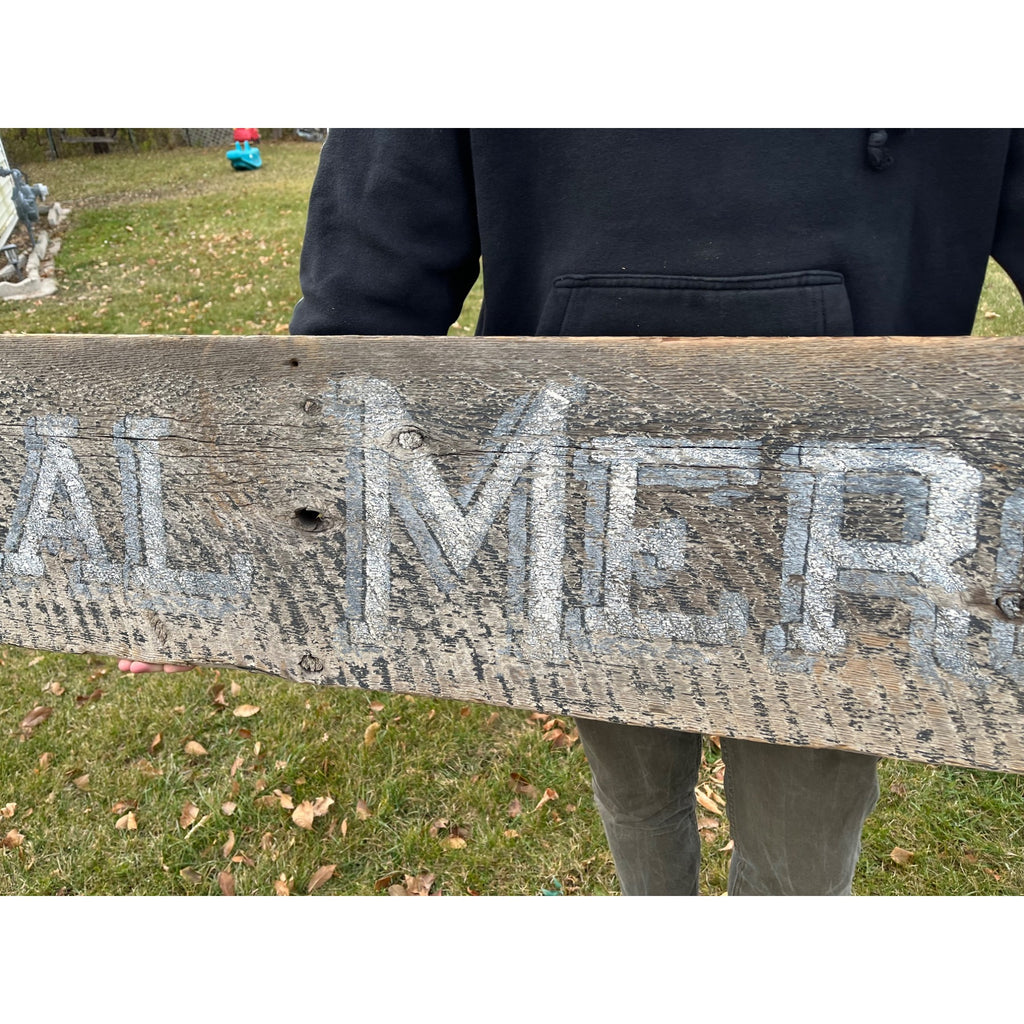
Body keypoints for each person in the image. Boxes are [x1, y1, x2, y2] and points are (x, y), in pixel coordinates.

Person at [130, 130, 1024, 895]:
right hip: (579, 510)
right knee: (637, 795)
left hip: (856, 529)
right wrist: (228, 537)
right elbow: (374, 257)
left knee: (803, 847)